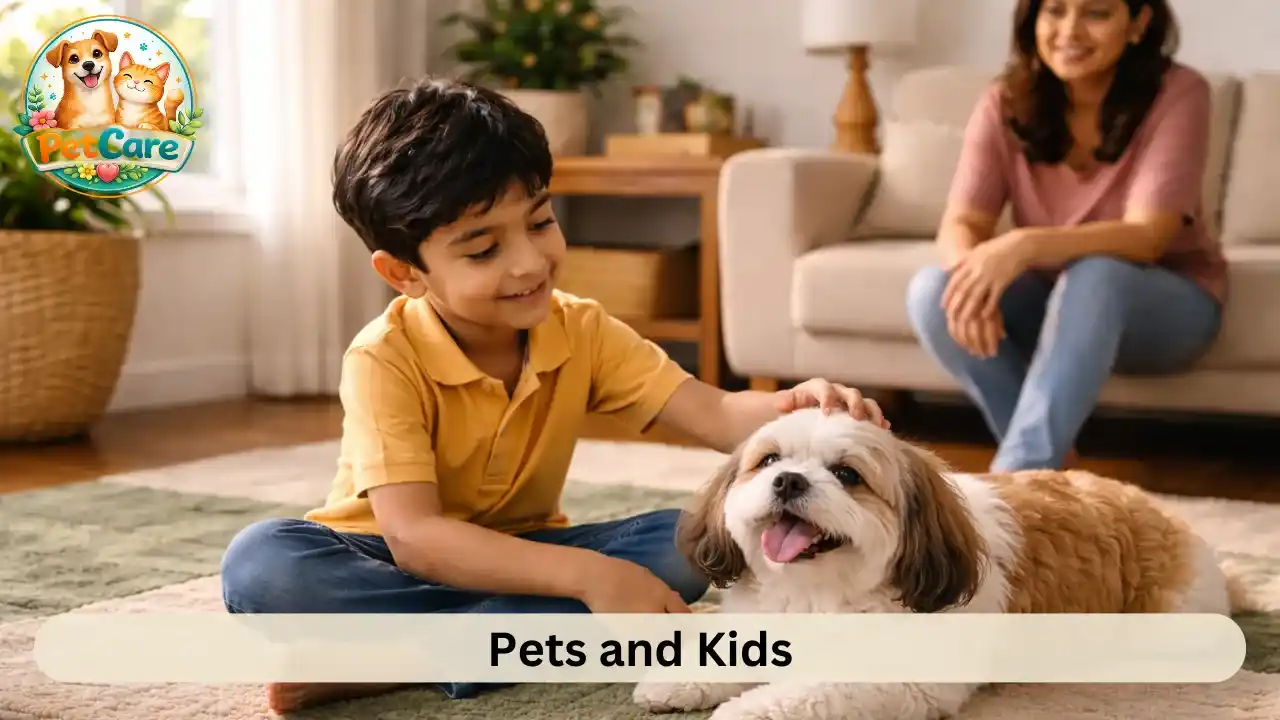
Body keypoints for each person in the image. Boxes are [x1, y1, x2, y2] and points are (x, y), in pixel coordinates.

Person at [218, 78, 890, 714]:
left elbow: (714, 413)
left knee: (685, 544)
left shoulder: (581, 328)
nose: (529, 263)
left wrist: (797, 406)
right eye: (483, 250)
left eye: (539, 222)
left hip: (527, 553)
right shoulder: (382, 358)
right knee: (262, 566)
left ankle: (393, 658)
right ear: (404, 273)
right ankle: (484, 644)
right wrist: (590, 580)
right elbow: (418, 539)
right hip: (389, 560)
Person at [905, 0, 1226, 473]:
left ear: (1137, 24)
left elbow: (1147, 237)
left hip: (1167, 307)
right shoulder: (1005, 100)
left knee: (1097, 274)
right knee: (934, 292)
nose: (1069, 30)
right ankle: (1046, 464)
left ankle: (1012, 483)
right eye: (1054, 10)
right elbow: (962, 222)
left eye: (1096, 13)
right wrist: (968, 281)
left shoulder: (1179, 92)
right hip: (1052, 301)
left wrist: (1026, 243)